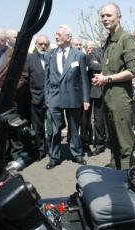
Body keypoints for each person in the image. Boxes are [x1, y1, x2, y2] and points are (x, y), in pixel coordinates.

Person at [92, 3, 135, 170]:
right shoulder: (109, 40)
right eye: (103, 16)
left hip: (120, 99)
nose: (105, 19)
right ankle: (115, 172)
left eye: (109, 15)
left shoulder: (126, 39)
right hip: (108, 98)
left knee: (125, 142)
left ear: (119, 17)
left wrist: (107, 78)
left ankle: (129, 176)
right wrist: (103, 79)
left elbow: (134, 70)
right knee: (112, 140)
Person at [45, 25, 90, 169]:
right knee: (54, 129)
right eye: (55, 34)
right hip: (54, 97)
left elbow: (83, 79)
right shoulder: (50, 54)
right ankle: (54, 157)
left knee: (74, 128)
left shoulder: (79, 55)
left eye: (59, 34)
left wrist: (86, 99)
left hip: (73, 97)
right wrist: (47, 97)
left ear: (68, 37)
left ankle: (77, 154)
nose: (56, 36)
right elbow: (46, 78)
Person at [0, 27, 29, 161]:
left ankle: (16, 157)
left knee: (13, 130)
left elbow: (23, 76)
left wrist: (8, 92)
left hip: (10, 99)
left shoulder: (15, 54)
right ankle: (1, 156)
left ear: (2, 40)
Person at [26, 34, 50, 160]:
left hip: (51, 99)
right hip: (35, 98)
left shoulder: (52, 58)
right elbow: (26, 78)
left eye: (45, 44)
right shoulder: (29, 59)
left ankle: (52, 149)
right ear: (36, 45)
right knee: (37, 127)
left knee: (52, 127)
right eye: (40, 44)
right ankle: (40, 150)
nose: (43, 46)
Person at [88, 47, 107, 156]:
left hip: (113, 90)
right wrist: (111, 69)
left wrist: (100, 67)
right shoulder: (96, 51)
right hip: (98, 91)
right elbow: (92, 65)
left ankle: (113, 142)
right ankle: (99, 144)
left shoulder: (118, 50)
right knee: (98, 120)